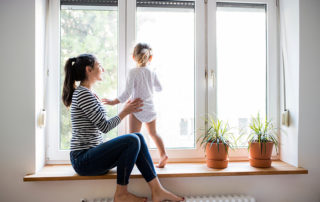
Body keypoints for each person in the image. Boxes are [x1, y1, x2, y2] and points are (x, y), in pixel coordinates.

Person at [62, 54, 184, 202]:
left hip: (91, 156)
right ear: (89, 69)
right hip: (83, 160)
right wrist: (125, 111)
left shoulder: (89, 93)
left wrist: (125, 110)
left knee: (137, 137)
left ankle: (157, 190)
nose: (103, 69)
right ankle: (121, 194)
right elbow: (104, 126)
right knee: (132, 139)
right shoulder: (83, 94)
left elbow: (101, 125)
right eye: (99, 65)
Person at [102, 43, 168, 168]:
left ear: (133, 57)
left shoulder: (133, 72)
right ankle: (163, 155)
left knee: (133, 138)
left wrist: (113, 102)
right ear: (150, 58)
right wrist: (149, 84)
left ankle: (134, 161)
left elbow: (126, 93)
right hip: (150, 108)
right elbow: (159, 88)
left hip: (136, 107)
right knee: (154, 133)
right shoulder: (152, 72)